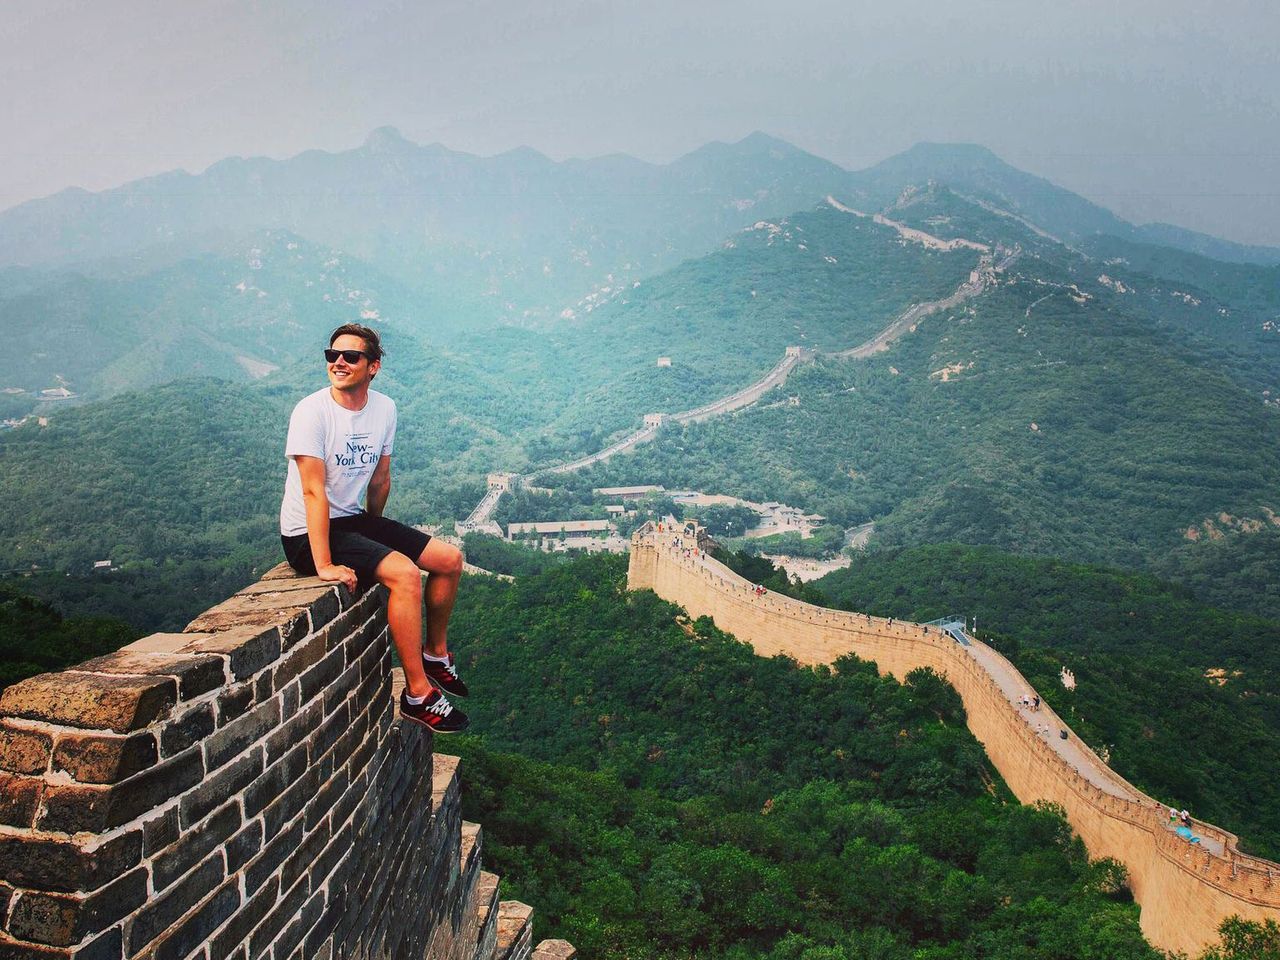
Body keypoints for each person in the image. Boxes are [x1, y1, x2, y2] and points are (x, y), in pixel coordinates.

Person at [279, 323, 469, 734]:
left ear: (373, 366)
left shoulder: (384, 408)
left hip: (351, 518)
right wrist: (323, 563)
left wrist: (375, 529)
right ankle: (419, 694)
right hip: (306, 534)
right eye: (333, 355)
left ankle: (436, 654)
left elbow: (381, 478)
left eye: (351, 356)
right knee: (403, 575)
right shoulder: (310, 412)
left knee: (449, 560)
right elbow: (313, 491)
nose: (339, 362)